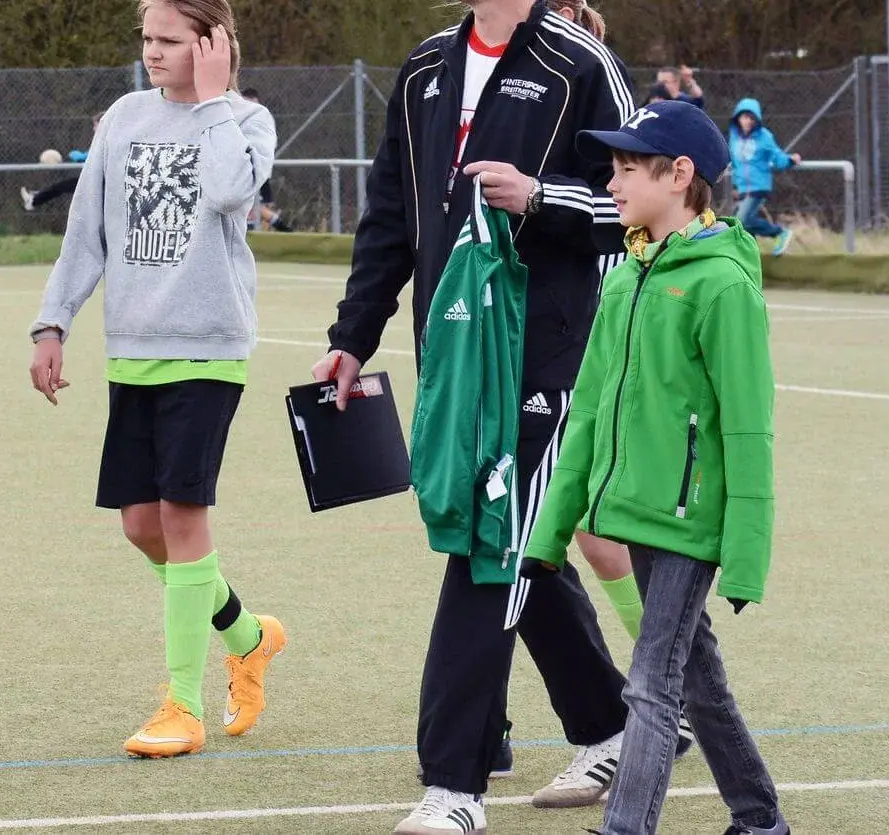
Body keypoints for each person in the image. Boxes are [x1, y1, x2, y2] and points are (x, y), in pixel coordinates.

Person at [311, 0, 637, 830]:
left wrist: (539, 197)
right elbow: (390, 216)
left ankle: (453, 786)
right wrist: (351, 338)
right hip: (453, 355)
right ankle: (613, 724)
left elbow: (639, 213)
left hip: (549, 352)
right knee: (516, 539)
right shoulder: (424, 68)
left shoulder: (580, 65)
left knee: (486, 543)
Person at [28, 0, 285, 760]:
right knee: (142, 526)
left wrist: (210, 103)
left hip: (208, 350)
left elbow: (232, 193)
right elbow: (88, 228)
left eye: (170, 40)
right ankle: (249, 635)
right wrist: (53, 321)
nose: (152, 52)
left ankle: (183, 704)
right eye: (148, 38)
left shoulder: (245, 121)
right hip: (131, 350)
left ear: (213, 45)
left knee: (181, 515)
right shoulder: (124, 118)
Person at [524, 99, 785, 835]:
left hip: (687, 518)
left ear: (680, 176)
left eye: (627, 170)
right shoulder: (623, 277)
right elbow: (588, 415)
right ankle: (760, 818)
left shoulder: (723, 285)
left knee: (650, 681)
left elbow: (749, 427)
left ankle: (626, 826)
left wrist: (745, 556)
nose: (611, 184)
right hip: (632, 508)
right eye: (611, 169)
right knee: (695, 677)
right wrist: (551, 530)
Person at [728, 98, 800, 256]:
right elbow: (735, 164)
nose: (747, 121)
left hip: (758, 186)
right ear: (738, 118)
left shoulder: (764, 136)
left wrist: (790, 160)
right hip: (742, 188)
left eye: (751, 118)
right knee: (740, 225)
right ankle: (750, 255)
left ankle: (780, 232)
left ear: (756, 120)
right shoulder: (734, 138)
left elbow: (777, 156)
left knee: (741, 221)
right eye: (744, 117)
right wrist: (734, 186)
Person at [19, 112, 103, 212]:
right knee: (62, 186)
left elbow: (90, 157)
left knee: (62, 187)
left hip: (101, 182)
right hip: (97, 179)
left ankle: (35, 199)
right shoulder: (103, 140)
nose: (93, 129)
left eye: (95, 125)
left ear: (103, 124)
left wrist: (79, 156)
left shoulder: (106, 140)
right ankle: (37, 197)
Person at [240, 88, 292, 231]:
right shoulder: (236, 117)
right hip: (241, 171)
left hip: (258, 173)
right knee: (249, 207)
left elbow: (266, 146)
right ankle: (279, 225)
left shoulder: (263, 118)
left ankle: (279, 226)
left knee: (256, 207)